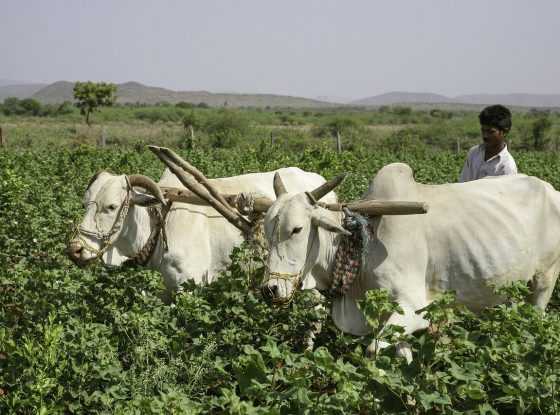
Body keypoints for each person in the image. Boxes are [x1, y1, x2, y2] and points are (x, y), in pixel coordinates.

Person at [459, 105, 517, 182]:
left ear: (504, 132)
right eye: (483, 130)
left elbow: (504, 193)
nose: (485, 135)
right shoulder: (474, 152)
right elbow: (463, 182)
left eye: (491, 132)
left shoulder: (507, 166)